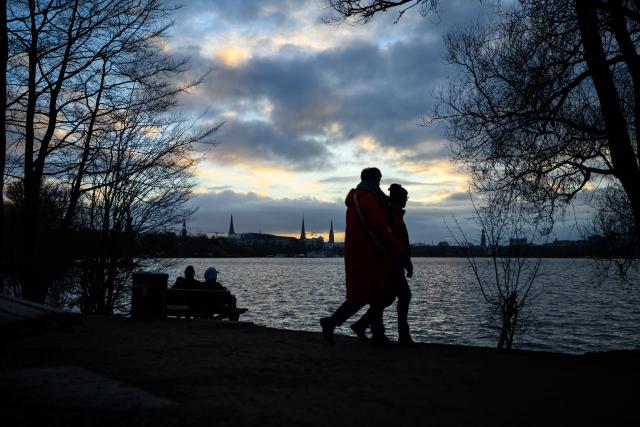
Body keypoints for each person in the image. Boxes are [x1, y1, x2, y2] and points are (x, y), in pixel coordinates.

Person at [320, 168, 409, 346]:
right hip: (370, 253)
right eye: (379, 180)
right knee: (375, 295)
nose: (379, 184)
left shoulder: (357, 199)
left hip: (361, 253)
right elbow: (380, 228)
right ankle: (376, 334)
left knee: (368, 295)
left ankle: (348, 325)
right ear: (375, 180)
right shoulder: (369, 199)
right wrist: (399, 249)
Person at [349, 183, 416, 346]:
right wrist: (404, 262)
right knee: (402, 296)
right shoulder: (389, 216)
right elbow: (391, 241)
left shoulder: (395, 215)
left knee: (385, 299)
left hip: (395, 262)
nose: (406, 200)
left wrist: (407, 263)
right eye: (405, 198)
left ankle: (363, 325)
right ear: (399, 199)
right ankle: (402, 336)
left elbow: (401, 242)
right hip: (390, 262)